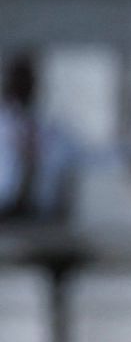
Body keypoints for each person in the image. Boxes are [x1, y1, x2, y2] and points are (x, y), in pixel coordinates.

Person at [0, 52, 83, 224]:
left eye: (27, 82)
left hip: (40, 212)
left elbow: (82, 154)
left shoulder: (48, 127)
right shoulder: (5, 124)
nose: (24, 87)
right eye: (19, 82)